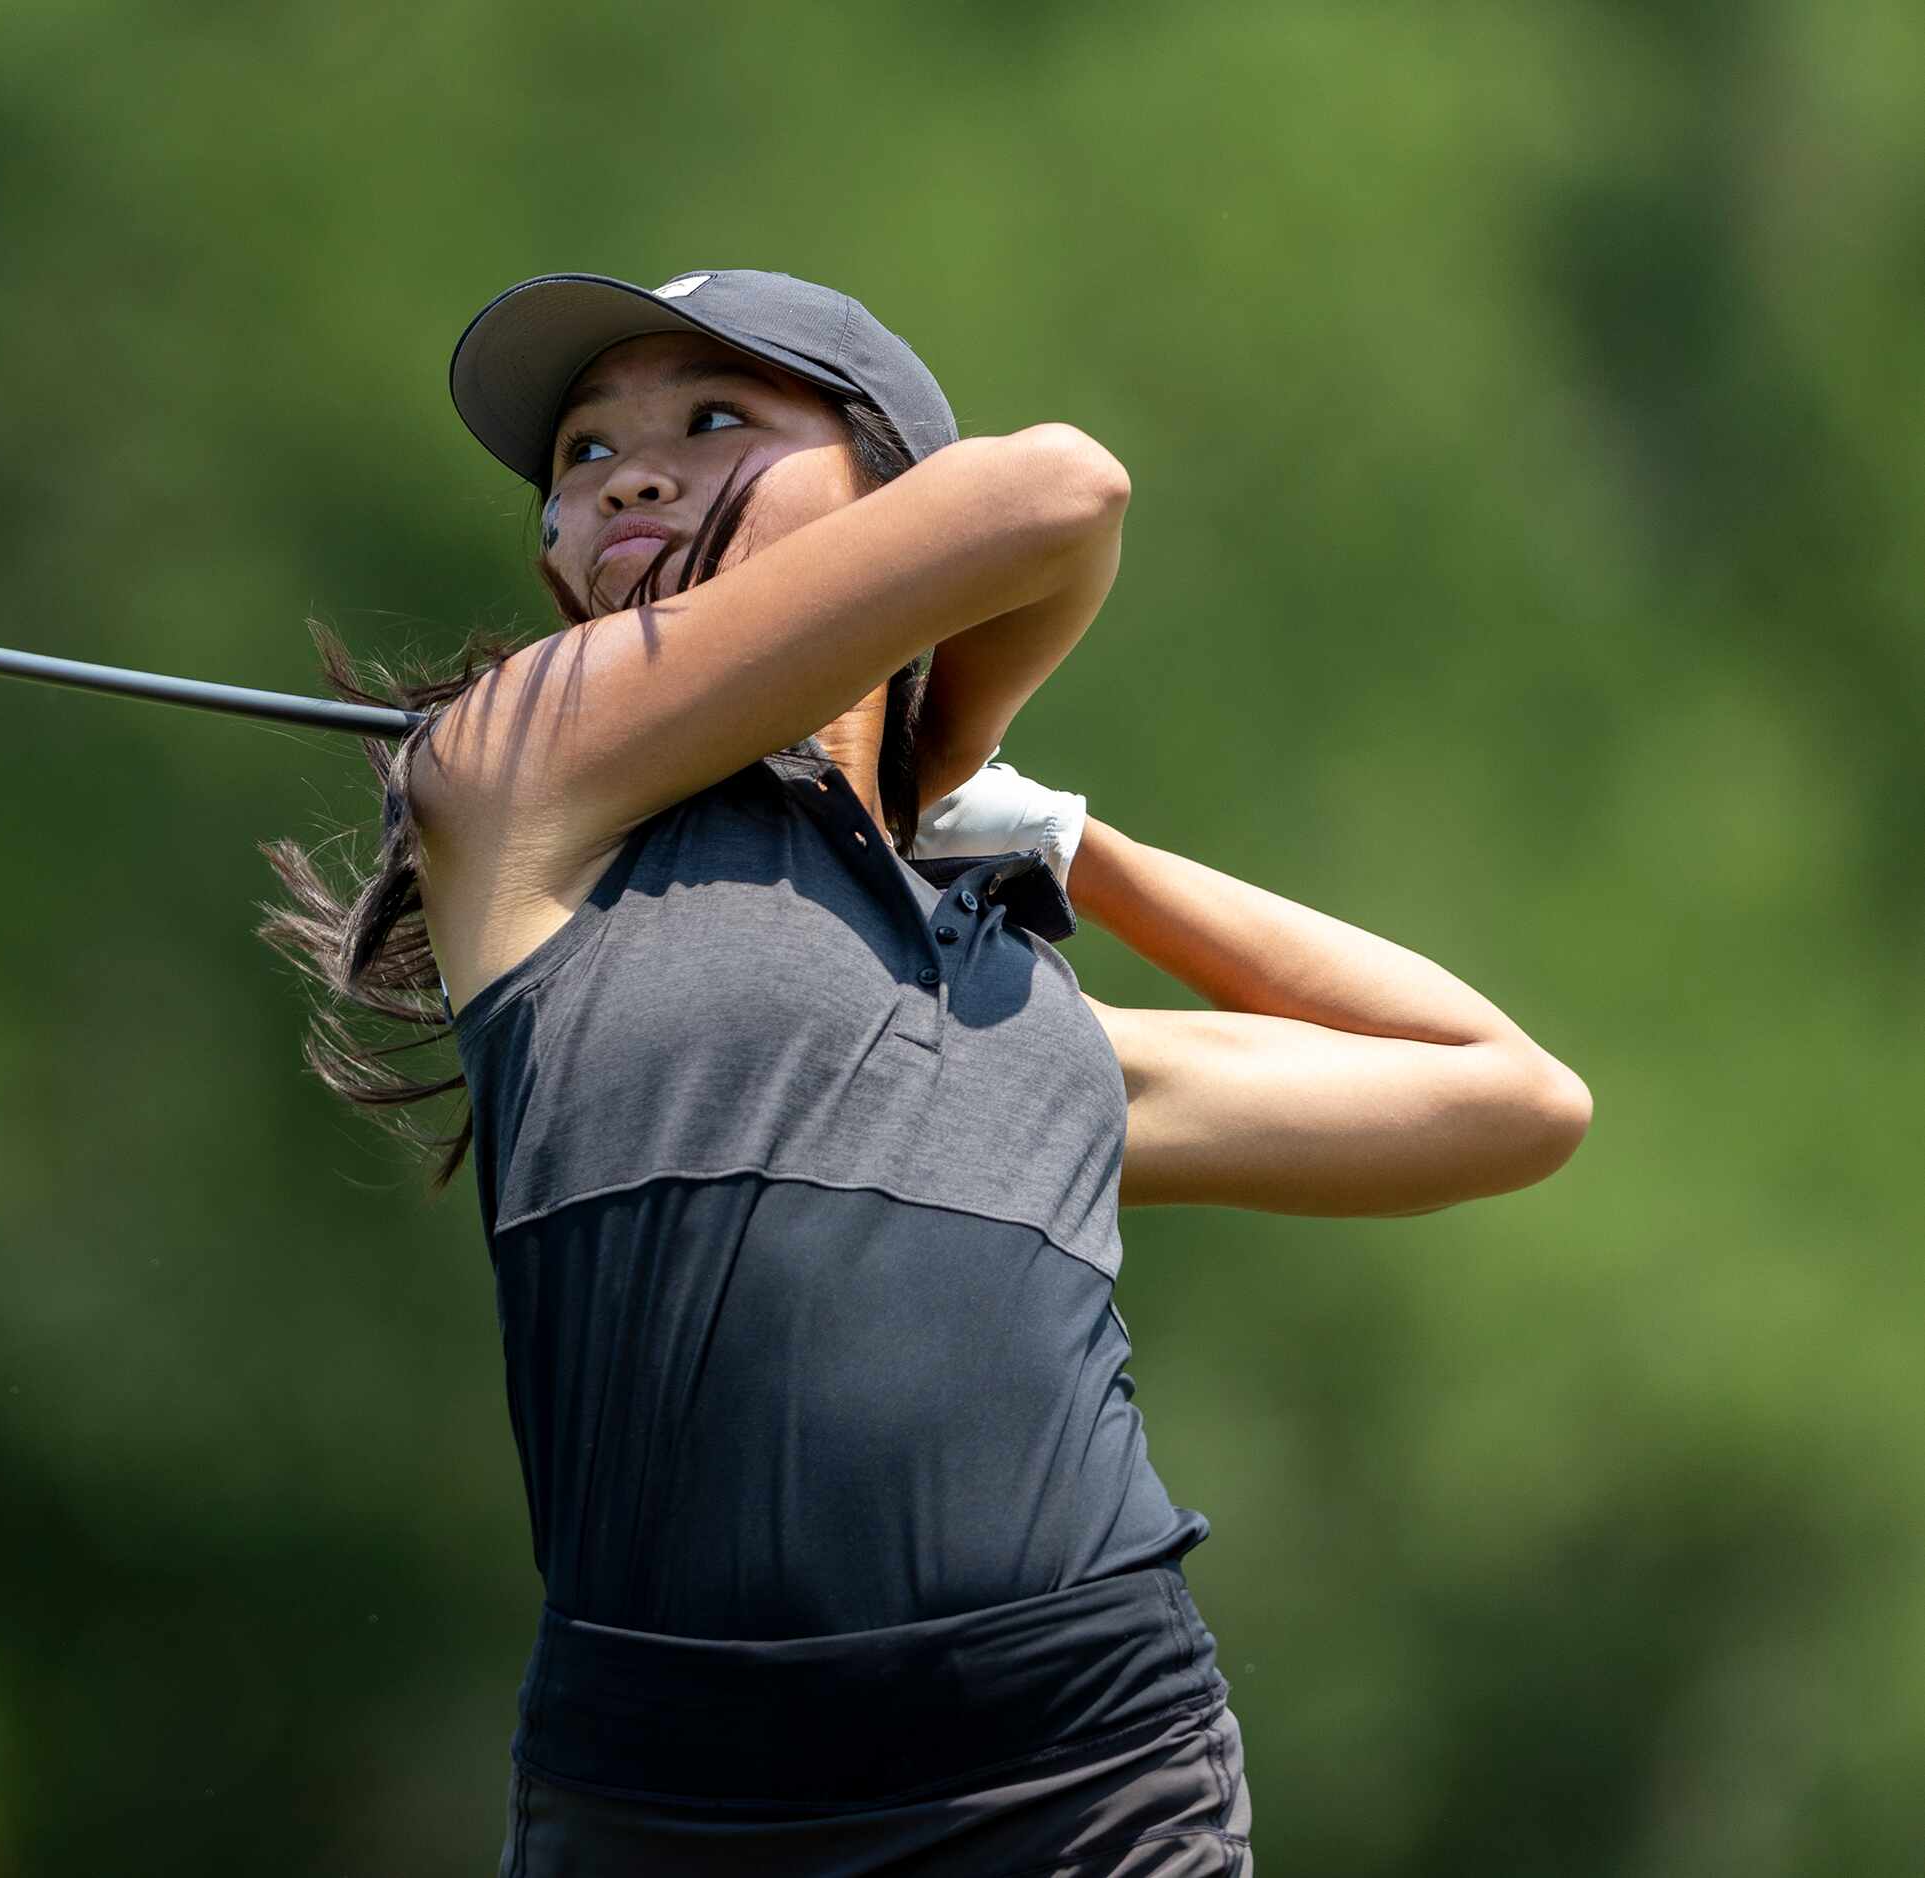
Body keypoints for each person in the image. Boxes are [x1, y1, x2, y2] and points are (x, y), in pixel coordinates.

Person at [260, 269, 1592, 1874]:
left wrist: (1070, 846)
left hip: (1082, 1764)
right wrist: (929, 739)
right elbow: (1044, 497)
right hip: (671, 1802)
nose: (620, 469)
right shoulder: (512, 786)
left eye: (712, 418)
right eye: (581, 453)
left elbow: (1503, 1095)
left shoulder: (1013, 1023)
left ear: (887, 489)